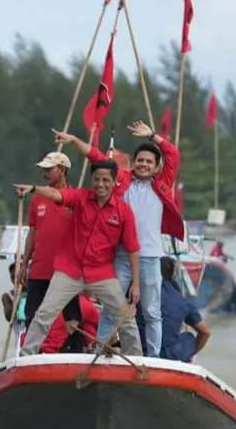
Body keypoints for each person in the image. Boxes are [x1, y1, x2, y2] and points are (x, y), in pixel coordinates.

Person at [56, 120, 183, 358]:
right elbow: (96, 157)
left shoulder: (163, 185)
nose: (144, 165)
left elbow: (173, 154)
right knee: (111, 309)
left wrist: (152, 135)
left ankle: (154, 357)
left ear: (156, 167)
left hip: (151, 257)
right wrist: (73, 141)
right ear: (134, 163)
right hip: (122, 256)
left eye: (149, 162)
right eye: (140, 160)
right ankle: (101, 349)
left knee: (152, 312)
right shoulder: (121, 180)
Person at [13, 160, 144, 356]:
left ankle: (138, 360)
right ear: (92, 180)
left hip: (101, 272)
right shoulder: (81, 198)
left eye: (106, 180)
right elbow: (57, 194)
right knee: (44, 314)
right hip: (70, 270)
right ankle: (25, 356)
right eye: (97, 179)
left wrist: (136, 284)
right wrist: (33, 188)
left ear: (114, 181)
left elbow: (133, 248)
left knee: (126, 317)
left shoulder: (123, 212)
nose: (101, 184)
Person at [21, 151, 74, 323]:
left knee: (71, 322)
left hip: (66, 273)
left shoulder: (75, 199)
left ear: (63, 170)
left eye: (49, 169)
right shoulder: (37, 199)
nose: (45, 174)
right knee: (32, 319)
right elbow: (32, 233)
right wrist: (24, 264)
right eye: (44, 170)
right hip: (39, 270)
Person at [150, 256, 211, 362]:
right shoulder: (182, 301)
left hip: (145, 348)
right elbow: (206, 332)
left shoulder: (142, 293)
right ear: (173, 274)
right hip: (169, 354)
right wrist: (191, 354)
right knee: (189, 337)